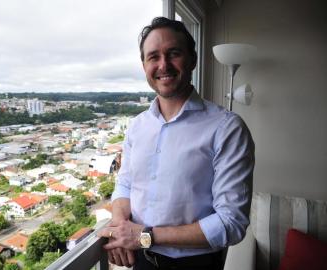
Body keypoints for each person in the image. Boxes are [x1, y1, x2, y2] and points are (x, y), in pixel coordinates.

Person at [98, 17, 255, 270]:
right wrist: (119, 228)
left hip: (194, 265)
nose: (163, 65)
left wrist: (143, 236)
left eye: (173, 53)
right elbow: (126, 184)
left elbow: (231, 223)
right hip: (139, 260)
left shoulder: (226, 128)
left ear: (192, 59)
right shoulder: (137, 126)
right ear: (144, 65)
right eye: (153, 57)